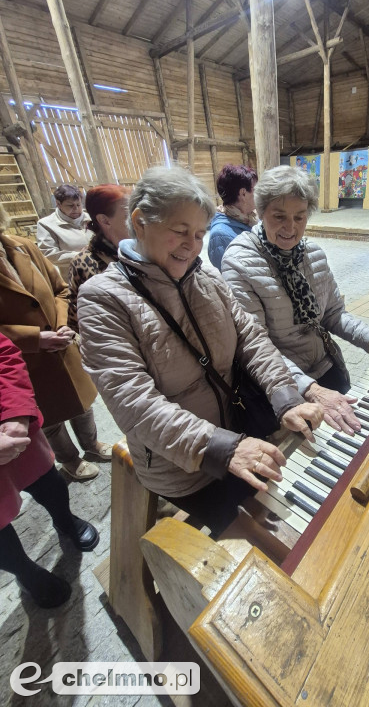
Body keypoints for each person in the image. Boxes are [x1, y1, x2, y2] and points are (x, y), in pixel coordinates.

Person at [77, 166, 323, 538]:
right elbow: (133, 403)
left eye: (199, 234)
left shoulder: (205, 277)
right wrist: (222, 449)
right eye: (180, 232)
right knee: (272, 544)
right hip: (184, 465)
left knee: (299, 511)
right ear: (140, 222)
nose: (192, 245)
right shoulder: (102, 298)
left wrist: (286, 397)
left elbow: (252, 338)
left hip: (241, 432)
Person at [221, 165, 369, 437]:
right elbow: (256, 345)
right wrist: (311, 389)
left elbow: (333, 314)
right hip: (283, 386)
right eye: (279, 216)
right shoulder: (239, 262)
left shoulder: (313, 254)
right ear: (260, 212)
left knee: (359, 437)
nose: (291, 228)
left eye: (300, 217)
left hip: (326, 367)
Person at [0, 204, 110, 481]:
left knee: (82, 402)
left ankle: (92, 446)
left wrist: (61, 324)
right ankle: (69, 460)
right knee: (49, 417)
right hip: (22, 358)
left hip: (60, 343)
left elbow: (60, 289)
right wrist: (34, 338)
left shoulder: (22, 246)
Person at [0, 332, 99, 608]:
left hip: (10, 427)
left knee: (50, 483)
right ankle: (25, 572)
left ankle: (64, 521)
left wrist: (17, 413)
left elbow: (4, 354)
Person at [68, 184, 131, 332]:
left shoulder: (148, 252)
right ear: (104, 220)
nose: (139, 219)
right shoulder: (84, 263)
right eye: (129, 214)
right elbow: (77, 321)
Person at [207, 164, 258, 270]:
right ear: (243, 193)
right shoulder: (220, 236)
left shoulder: (250, 219)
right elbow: (231, 277)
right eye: (256, 190)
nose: (259, 194)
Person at [36, 184, 91, 278]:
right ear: (58, 204)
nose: (76, 209)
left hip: (102, 274)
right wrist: (82, 256)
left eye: (78, 204)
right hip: (75, 277)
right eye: (70, 205)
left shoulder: (91, 218)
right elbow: (49, 254)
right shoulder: (46, 224)